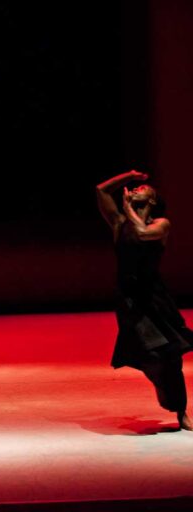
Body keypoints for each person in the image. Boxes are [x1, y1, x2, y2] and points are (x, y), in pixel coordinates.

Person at [96, 169, 192, 430]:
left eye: (143, 189)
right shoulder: (119, 224)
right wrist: (130, 176)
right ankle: (163, 385)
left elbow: (141, 233)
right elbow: (102, 190)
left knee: (170, 353)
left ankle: (182, 411)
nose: (137, 190)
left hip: (155, 297)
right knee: (148, 354)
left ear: (152, 201)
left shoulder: (161, 224)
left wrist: (128, 208)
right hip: (130, 301)